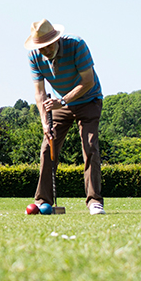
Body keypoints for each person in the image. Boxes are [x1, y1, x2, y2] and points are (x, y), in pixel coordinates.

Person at [25, 19, 105, 215]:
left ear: (56, 39)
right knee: (47, 147)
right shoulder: (35, 55)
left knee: (90, 145)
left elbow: (88, 81)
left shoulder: (77, 45)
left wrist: (63, 101)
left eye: (48, 45)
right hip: (60, 104)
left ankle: (94, 201)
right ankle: (43, 200)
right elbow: (40, 93)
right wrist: (45, 122)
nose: (45, 51)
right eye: (41, 47)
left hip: (88, 99)